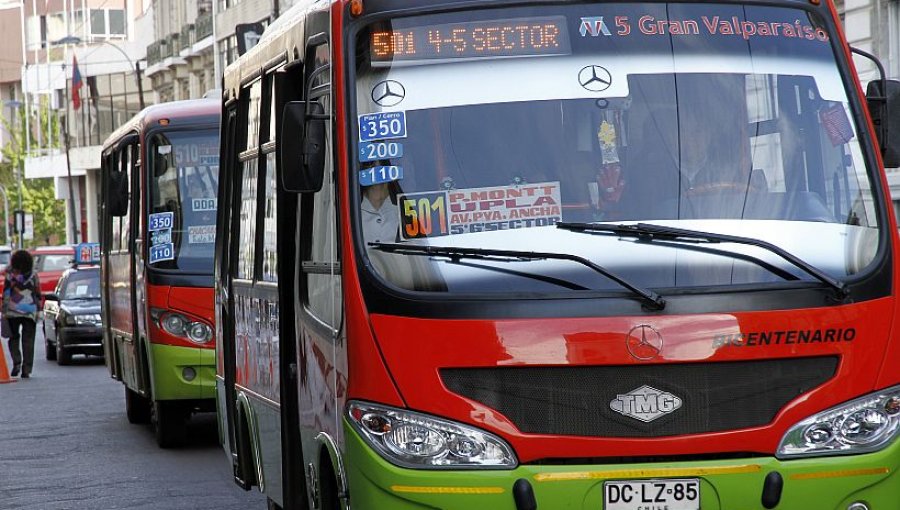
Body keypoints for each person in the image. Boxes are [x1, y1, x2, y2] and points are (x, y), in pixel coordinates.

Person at [3, 250, 42, 378]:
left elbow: (6, 292)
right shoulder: (33, 275)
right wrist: (38, 309)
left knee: (13, 337)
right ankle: (27, 369)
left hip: (13, 310)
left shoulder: (10, 275)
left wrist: (4, 309)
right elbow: (37, 293)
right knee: (28, 340)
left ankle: (16, 362)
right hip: (30, 310)